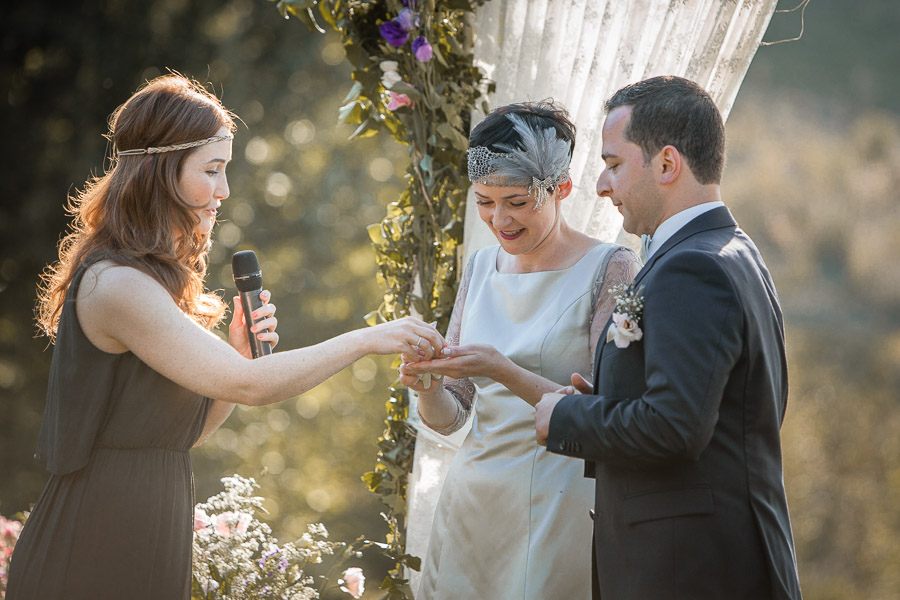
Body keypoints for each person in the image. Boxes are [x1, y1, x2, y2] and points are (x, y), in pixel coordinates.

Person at [6, 74, 443, 600]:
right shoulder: (115, 284)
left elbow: (185, 434)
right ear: (156, 172)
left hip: (148, 530)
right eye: (212, 170)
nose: (224, 191)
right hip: (93, 538)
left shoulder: (147, 279)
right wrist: (367, 339)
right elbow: (250, 385)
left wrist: (237, 356)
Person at [535, 75, 803, 599]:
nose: (601, 185)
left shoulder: (692, 270)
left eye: (613, 164)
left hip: (690, 572)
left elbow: (676, 427)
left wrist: (567, 417)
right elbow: (710, 411)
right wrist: (607, 403)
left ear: (666, 164)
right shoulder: (731, 252)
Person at [400, 100, 641, 599]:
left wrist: (501, 369)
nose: (498, 218)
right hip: (472, 500)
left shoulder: (611, 267)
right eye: (485, 201)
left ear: (561, 190)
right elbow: (453, 415)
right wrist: (427, 386)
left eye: (516, 201)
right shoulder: (482, 266)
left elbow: (610, 413)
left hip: (559, 505)